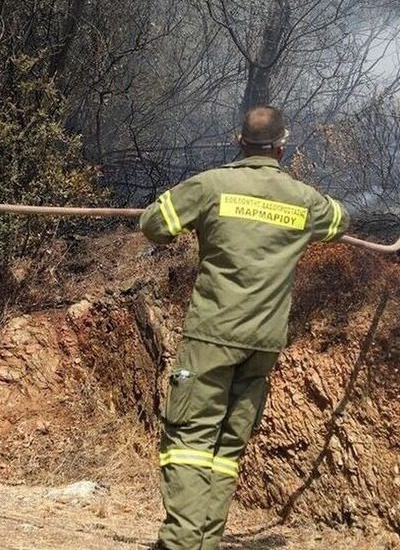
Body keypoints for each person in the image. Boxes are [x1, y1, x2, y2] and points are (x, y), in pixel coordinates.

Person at [139, 106, 350, 550]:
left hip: (212, 335)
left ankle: (181, 543)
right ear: (281, 145)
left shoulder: (212, 185)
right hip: (263, 343)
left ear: (239, 141)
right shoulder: (303, 200)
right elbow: (339, 221)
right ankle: (204, 541)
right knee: (226, 449)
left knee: (189, 440)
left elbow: (154, 225)